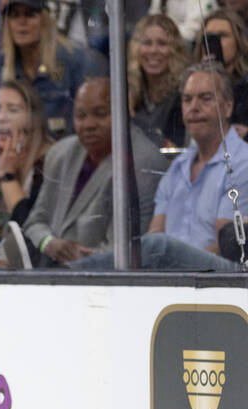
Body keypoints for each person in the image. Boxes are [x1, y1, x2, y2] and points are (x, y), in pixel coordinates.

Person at [73, 62, 248, 270]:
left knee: (158, 248)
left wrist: (167, 261)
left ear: (228, 106)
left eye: (205, 98)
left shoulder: (241, 162)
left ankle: (65, 274)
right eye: (187, 99)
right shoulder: (177, 167)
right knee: (149, 247)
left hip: (224, 278)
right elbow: (155, 232)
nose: (194, 107)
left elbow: (228, 247)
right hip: (171, 279)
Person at [5, 77, 169, 269]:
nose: (89, 124)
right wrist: (49, 243)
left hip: (101, 283)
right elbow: (34, 223)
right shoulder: (61, 153)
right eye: (81, 116)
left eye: (100, 114)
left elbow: (125, 253)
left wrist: (74, 261)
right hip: (47, 274)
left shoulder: (143, 163)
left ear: (124, 114)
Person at [1, 0, 105, 137]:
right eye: (15, 15)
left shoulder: (76, 61)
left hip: (63, 150)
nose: (22, 22)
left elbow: (91, 119)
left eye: (30, 14)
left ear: (46, 19)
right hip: (13, 148)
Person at [0, 79, 53, 245]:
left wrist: (8, 176)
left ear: (34, 119)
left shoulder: (49, 162)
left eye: (13, 110)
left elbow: (31, 229)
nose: (0, 117)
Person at [128, 15, 187, 147]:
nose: (154, 51)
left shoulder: (183, 94)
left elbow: (173, 149)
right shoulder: (129, 93)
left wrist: (132, 119)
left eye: (162, 44)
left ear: (175, 50)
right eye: (147, 43)